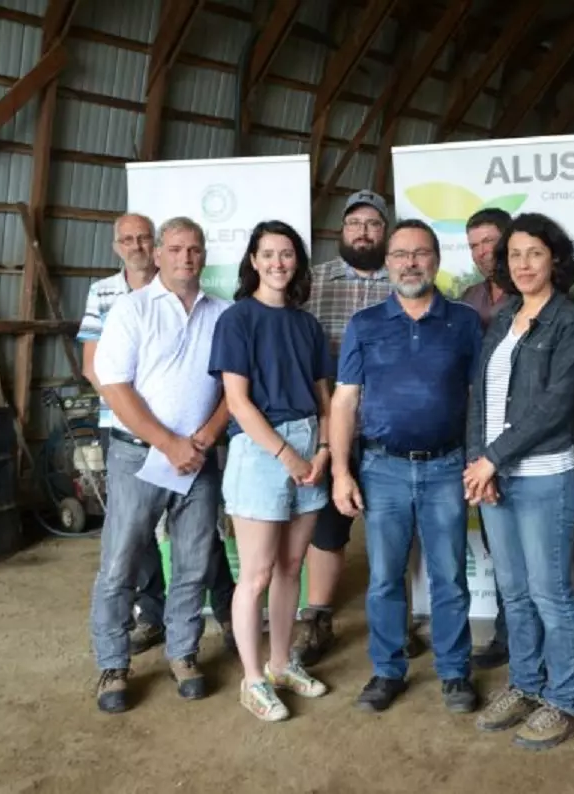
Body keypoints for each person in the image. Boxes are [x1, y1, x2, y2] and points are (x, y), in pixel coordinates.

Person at [329, 219, 482, 714]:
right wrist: (340, 472)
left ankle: (456, 673)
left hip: (445, 468)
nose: (410, 263)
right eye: (400, 254)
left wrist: (479, 458)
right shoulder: (365, 324)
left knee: (449, 577)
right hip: (383, 469)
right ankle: (388, 670)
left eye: (420, 254)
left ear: (436, 261)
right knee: (385, 578)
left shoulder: (463, 323)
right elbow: (345, 402)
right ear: (388, 263)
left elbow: (479, 397)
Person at [78, 212, 236, 658]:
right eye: (175, 249)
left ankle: (183, 657)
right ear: (159, 254)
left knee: (193, 565)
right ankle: (112, 663)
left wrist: (203, 438)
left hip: (200, 461)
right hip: (138, 458)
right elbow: (113, 384)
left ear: (203, 256)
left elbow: (234, 387)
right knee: (120, 564)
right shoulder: (131, 308)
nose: (185, 257)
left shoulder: (223, 313)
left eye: (194, 249)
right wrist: (170, 444)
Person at [464, 212, 574, 751]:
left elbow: (552, 407)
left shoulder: (569, 321)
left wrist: (491, 459)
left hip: (543, 479)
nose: (523, 264)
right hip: (495, 479)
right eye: (514, 255)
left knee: (550, 594)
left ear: (554, 260)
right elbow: (480, 397)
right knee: (514, 594)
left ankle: (564, 701)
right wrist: (479, 464)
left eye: (534, 253)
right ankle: (526, 684)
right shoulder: (505, 315)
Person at [208, 221, 335, 722]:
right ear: (254, 262)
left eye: (287, 254)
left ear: (297, 263)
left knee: (290, 568)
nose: (278, 263)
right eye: (269, 254)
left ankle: (282, 663)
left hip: (309, 445)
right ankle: (253, 679)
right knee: (257, 573)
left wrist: (323, 449)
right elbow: (237, 403)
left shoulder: (307, 325)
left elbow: (325, 398)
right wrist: (288, 456)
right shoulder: (237, 320)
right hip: (262, 451)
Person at [296, 190, 394, 666]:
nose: (363, 231)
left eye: (373, 224)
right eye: (354, 222)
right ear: (341, 230)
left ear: (385, 232)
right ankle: (316, 618)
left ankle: (398, 619)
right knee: (327, 527)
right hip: (329, 424)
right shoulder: (311, 284)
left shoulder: (405, 280)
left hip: (388, 426)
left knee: (393, 526)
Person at [459, 207, 513, 670]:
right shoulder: (466, 299)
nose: (483, 252)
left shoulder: (533, 292)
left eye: (490, 241)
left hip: (526, 437)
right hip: (479, 434)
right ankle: (505, 634)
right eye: (474, 244)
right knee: (497, 539)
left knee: (533, 546)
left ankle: (532, 635)